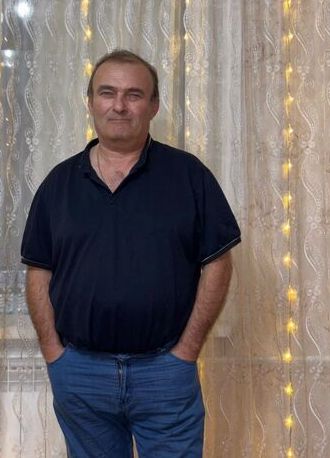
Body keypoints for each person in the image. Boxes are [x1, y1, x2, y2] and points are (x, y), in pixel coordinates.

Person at [21, 50, 241, 458]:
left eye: (133, 95)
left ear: (153, 106)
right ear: (90, 102)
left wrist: (186, 352)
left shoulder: (189, 176)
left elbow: (218, 263)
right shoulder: (58, 185)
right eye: (107, 93)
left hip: (165, 374)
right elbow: (39, 273)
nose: (119, 105)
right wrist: (55, 354)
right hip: (81, 375)